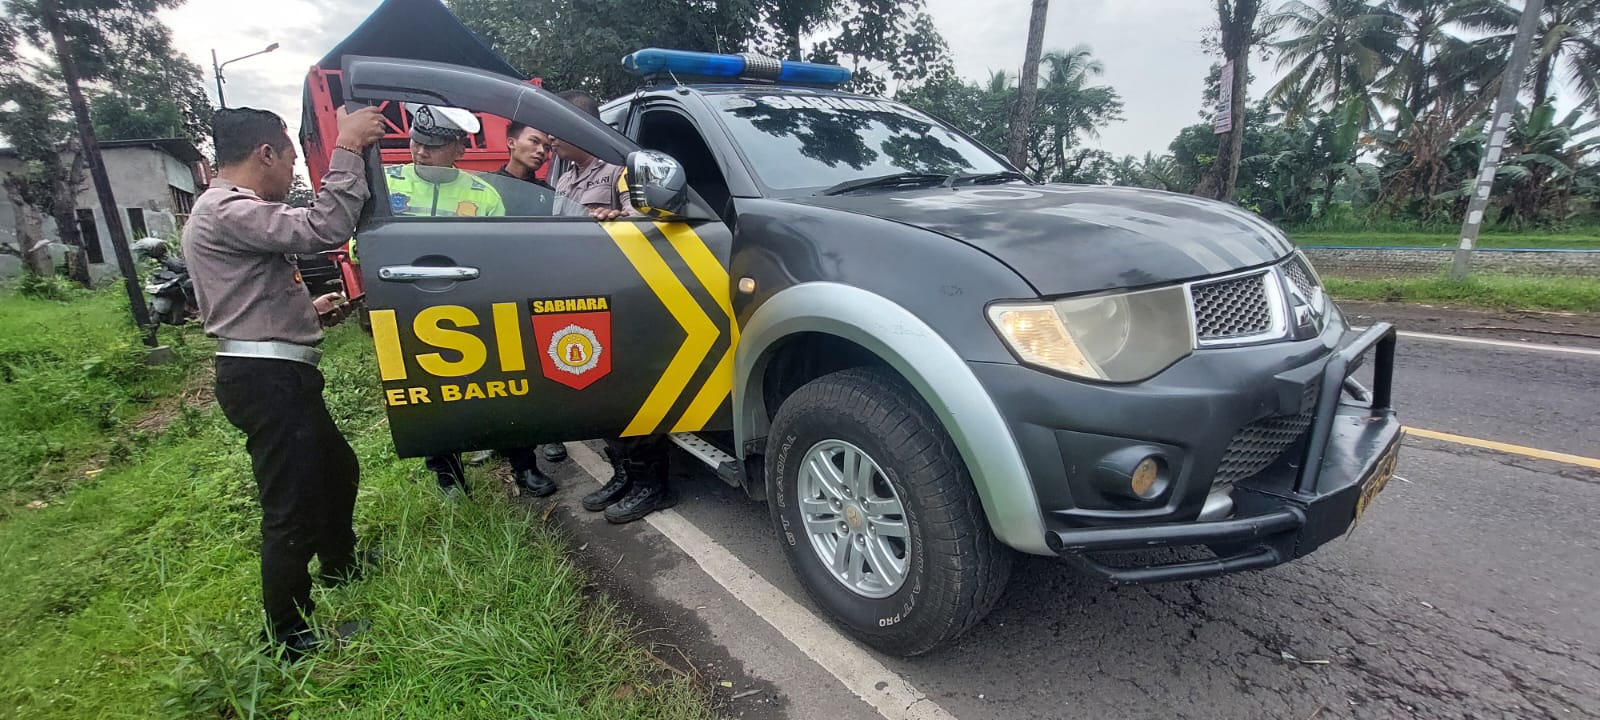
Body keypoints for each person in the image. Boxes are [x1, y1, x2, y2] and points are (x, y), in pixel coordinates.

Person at [182, 104, 387, 659]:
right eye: (290, 157)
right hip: (266, 379)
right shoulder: (226, 208)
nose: (292, 169)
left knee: (336, 468)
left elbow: (246, 297)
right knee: (290, 504)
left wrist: (310, 313)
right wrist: (346, 148)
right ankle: (290, 637)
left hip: (274, 371)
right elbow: (324, 226)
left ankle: (339, 566)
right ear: (264, 154)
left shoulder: (226, 210)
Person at [387, 103, 559, 500]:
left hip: (474, 307)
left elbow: (497, 256)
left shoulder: (482, 193)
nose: (422, 152)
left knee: (501, 389)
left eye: (435, 145)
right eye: (418, 143)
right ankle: (448, 478)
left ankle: (524, 466)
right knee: (428, 397)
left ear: (459, 149)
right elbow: (360, 244)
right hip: (411, 308)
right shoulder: (389, 183)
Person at [552, 90, 677, 524]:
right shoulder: (563, 176)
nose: (549, 139)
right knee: (596, 390)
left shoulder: (622, 171)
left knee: (628, 392)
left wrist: (615, 220)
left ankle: (652, 485)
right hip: (574, 295)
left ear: (578, 127)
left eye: (557, 129)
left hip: (617, 296)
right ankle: (623, 473)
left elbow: (650, 225)